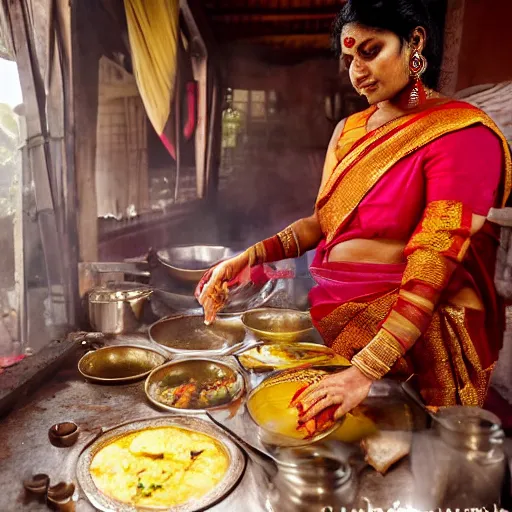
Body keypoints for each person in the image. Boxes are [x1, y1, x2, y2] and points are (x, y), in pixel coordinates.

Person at [196, 0, 512, 430]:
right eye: (348, 59)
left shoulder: (463, 134)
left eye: (370, 51)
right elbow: (321, 224)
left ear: (414, 42)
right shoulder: (347, 132)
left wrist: (364, 372)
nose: (356, 71)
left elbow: (431, 267)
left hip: (418, 343)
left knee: (411, 459)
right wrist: (247, 258)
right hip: (338, 324)